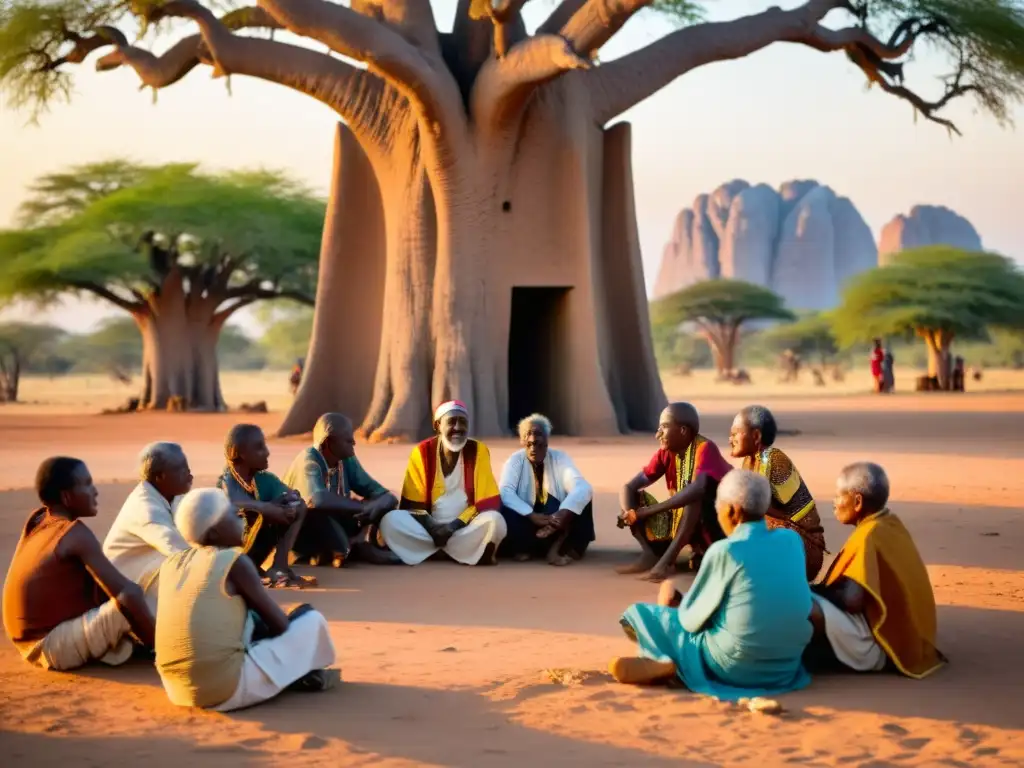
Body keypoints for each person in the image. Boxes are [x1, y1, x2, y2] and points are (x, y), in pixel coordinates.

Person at [610, 470, 812, 699]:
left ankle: (666, 660)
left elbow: (689, 620)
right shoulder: (791, 540)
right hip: (786, 667)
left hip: (736, 667)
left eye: (719, 509)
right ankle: (667, 660)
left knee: (640, 614)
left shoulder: (725, 551)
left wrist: (676, 604)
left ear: (733, 511)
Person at [155, 488, 337, 711]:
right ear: (213, 532)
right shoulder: (232, 560)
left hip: (176, 690)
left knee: (245, 617)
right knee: (311, 619)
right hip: (221, 690)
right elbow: (280, 625)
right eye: (232, 516)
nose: (240, 521)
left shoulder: (171, 563)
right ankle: (303, 672)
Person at [3, 457, 155, 670]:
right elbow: (127, 595)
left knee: (125, 589)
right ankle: (159, 650)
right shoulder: (74, 533)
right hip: (49, 646)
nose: (95, 491)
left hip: (28, 642)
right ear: (66, 497)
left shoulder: (37, 519)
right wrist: (155, 644)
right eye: (86, 484)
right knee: (139, 594)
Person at [807, 462, 945, 678]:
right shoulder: (890, 523)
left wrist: (813, 591)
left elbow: (852, 602)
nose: (834, 503)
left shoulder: (868, 536)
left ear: (858, 501)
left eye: (839, 496)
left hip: (879, 643)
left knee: (803, 605)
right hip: (906, 640)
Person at [379, 400, 507, 565]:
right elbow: (412, 504)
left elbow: (487, 501)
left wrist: (453, 526)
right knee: (390, 520)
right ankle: (459, 552)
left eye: (462, 422)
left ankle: (432, 552)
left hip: (464, 528)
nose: (458, 428)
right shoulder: (422, 452)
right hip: (428, 530)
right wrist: (433, 528)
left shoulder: (478, 450)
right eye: (451, 422)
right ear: (438, 425)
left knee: (495, 521)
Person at [618, 402, 732, 581]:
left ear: (683, 430)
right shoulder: (665, 453)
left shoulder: (705, 448)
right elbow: (629, 487)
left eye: (664, 427)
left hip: (718, 527)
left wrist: (646, 512)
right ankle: (651, 554)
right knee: (633, 498)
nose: (658, 434)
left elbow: (698, 489)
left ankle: (667, 563)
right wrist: (629, 513)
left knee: (694, 497)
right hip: (684, 522)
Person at [283, 412, 400, 566]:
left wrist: (379, 502)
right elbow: (318, 499)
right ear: (328, 442)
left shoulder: (346, 459)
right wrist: (362, 507)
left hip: (336, 519)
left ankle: (350, 547)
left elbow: (380, 492)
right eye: (347, 439)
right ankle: (346, 549)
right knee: (318, 513)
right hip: (305, 528)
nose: (353, 441)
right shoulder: (309, 460)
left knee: (385, 503)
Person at [728, 406, 827, 581]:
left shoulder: (772, 458)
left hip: (805, 548)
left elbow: (756, 506)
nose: (731, 439)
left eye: (736, 433)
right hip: (787, 543)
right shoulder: (749, 463)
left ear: (756, 436)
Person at [217, 424, 312, 589]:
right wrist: (269, 508)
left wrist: (288, 503)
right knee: (258, 513)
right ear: (241, 454)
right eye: (259, 448)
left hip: (254, 552)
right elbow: (234, 502)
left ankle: (279, 566)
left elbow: (291, 496)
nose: (267, 452)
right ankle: (243, 572)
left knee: (298, 506)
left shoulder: (263, 479)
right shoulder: (227, 480)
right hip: (230, 559)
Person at [102, 442, 193, 608]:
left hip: (145, 576)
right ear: (159, 477)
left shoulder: (173, 496)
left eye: (187, 467)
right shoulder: (146, 508)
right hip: (124, 592)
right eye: (180, 468)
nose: (188, 473)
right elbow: (177, 549)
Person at [498, 413, 595, 566]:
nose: (532, 442)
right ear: (523, 442)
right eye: (528, 439)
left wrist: (563, 512)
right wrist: (530, 514)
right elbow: (506, 492)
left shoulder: (560, 458)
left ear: (547, 440)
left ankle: (562, 548)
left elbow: (581, 486)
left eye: (537, 437)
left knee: (582, 497)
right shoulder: (515, 461)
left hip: (555, 521)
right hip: (527, 523)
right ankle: (524, 548)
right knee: (503, 504)